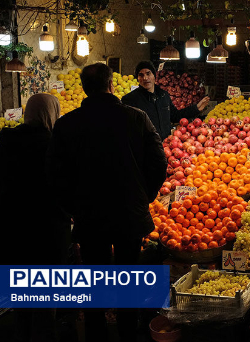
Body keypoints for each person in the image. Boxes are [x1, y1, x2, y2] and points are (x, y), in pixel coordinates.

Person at [46, 63, 167, 342]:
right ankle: (127, 334)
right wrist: (143, 196)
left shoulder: (67, 124)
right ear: (111, 85)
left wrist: (73, 208)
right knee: (127, 279)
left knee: (95, 285)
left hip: (90, 216)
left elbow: (54, 175)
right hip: (129, 215)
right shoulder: (137, 118)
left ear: (86, 88)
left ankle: (96, 335)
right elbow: (159, 163)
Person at [0, 93, 70, 342]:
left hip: (13, 231)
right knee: (44, 301)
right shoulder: (54, 144)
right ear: (52, 113)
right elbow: (64, 189)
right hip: (47, 233)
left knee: (21, 300)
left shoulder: (5, 141)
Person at [121, 61, 210, 140]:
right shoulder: (130, 100)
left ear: (154, 75)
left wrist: (196, 108)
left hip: (165, 145)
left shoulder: (163, 95)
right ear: (137, 78)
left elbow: (175, 116)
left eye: (148, 73)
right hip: (144, 150)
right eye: (141, 75)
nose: (145, 78)